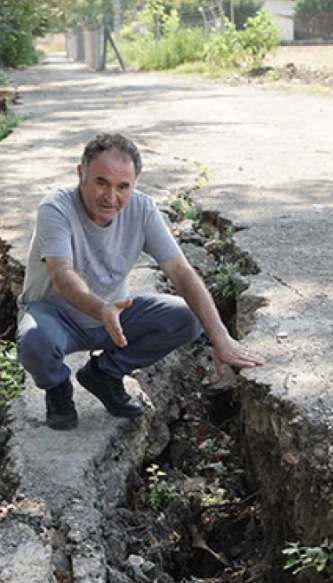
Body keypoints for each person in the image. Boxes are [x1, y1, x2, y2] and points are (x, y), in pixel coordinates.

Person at [16, 132, 265, 430]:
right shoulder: (56, 208)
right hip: (58, 318)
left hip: (116, 319)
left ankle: (105, 373)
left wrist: (220, 337)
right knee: (34, 340)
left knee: (187, 317)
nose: (111, 197)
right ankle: (57, 388)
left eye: (123, 187)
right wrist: (101, 308)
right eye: (101, 183)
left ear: (134, 185)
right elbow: (62, 275)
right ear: (81, 174)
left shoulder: (142, 209)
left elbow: (182, 272)